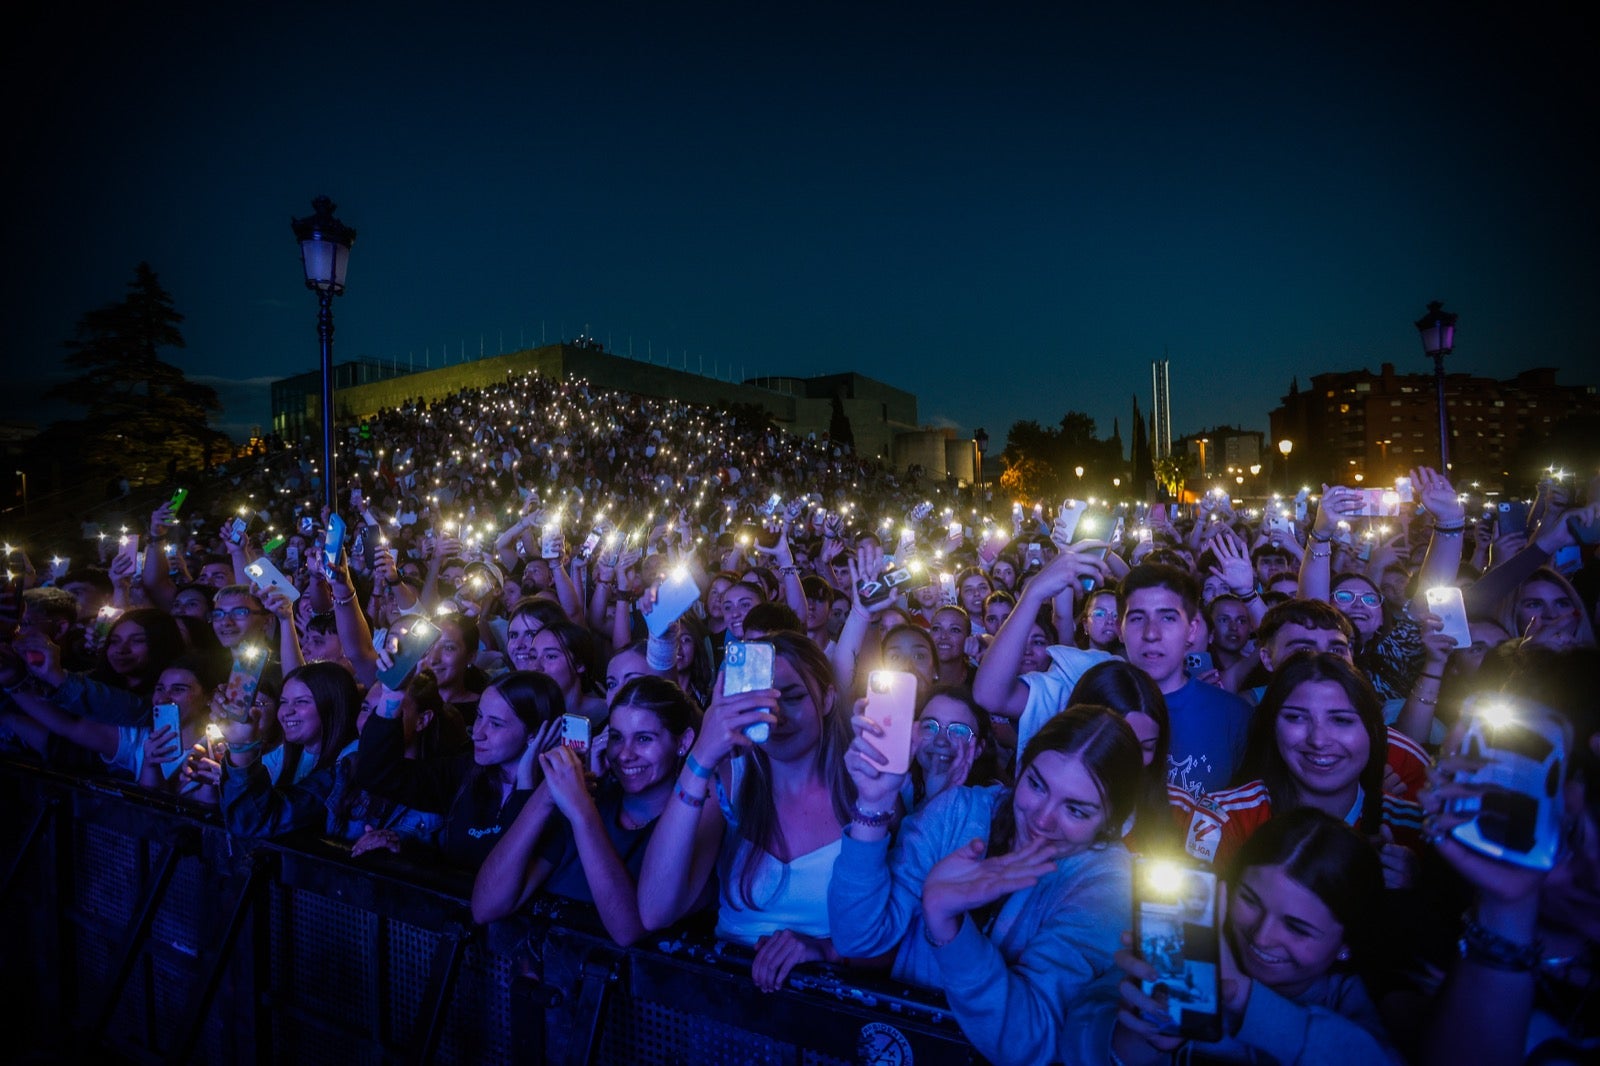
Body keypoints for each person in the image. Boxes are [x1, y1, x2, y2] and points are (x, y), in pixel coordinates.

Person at [828, 705, 1141, 1066]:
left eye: (1076, 810)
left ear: (1113, 824)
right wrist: (874, 801)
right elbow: (858, 937)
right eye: (1037, 785)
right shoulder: (957, 812)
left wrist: (948, 924)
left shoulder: (1107, 883)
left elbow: (1030, 1041)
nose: (1043, 819)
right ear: (1020, 769)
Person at [1065, 807, 1402, 1065]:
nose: (1262, 937)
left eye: (1297, 927)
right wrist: (1136, 1038)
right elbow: (1075, 1038)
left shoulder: (1358, 1012)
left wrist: (1239, 992)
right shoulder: (1179, 946)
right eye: (1250, 901)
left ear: (1346, 944)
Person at [637, 632, 855, 993]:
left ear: (828, 698)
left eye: (793, 697)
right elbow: (655, 910)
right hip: (727, 1000)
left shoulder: (864, 789)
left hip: (830, 1008)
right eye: (759, 700)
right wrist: (702, 758)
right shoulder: (727, 782)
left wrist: (826, 950)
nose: (776, 715)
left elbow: (892, 937)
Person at [472, 676, 699, 943]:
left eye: (644, 739)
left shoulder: (692, 824)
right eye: (616, 737)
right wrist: (547, 794)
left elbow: (629, 931)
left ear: (683, 742)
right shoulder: (589, 798)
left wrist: (582, 812)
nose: (624, 754)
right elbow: (485, 906)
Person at [1172, 653, 1423, 885]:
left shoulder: (1415, 827)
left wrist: (1420, 888)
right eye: (1296, 718)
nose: (1319, 740)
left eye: (1341, 720)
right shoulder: (1222, 818)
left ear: (1374, 731)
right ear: (1271, 725)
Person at [355, 669, 564, 868]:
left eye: (496, 724)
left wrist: (526, 786)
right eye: (480, 716)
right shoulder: (466, 772)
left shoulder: (560, 793)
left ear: (536, 733)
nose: (477, 733)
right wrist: (393, 695)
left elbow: (511, 866)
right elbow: (376, 773)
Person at [906, 686, 1004, 811]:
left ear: (979, 748)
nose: (941, 741)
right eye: (930, 726)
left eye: (958, 731)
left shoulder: (992, 804)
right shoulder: (901, 785)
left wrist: (937, 800)